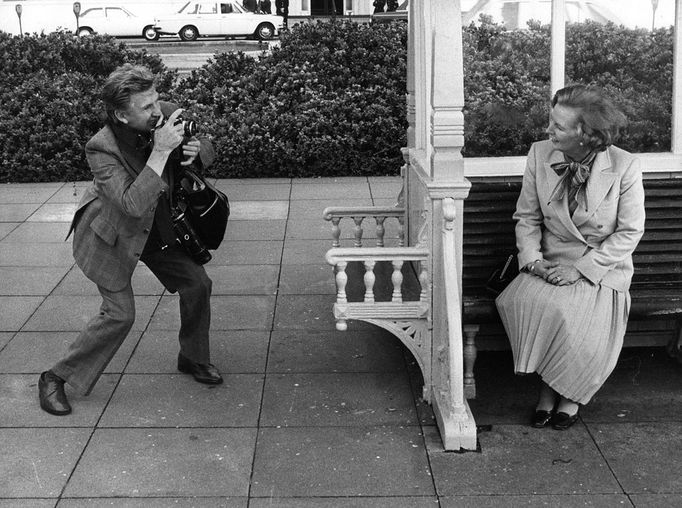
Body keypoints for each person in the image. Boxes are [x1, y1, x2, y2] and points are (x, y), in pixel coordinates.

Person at [38, 64, 223, 416]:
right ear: (122, 115)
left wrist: (195, 150)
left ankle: (193, 357)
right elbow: (132, 205)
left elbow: (208, 148)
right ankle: (54, 377)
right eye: (147, 107)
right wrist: (161, 152)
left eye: (156, 101)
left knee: (198, 283)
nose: (158, 110)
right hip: (113, 235)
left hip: (160, 227)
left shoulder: (163, 114)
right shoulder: (101, 148)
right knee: (120, 316)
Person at [495, 84, 645, 430]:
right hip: (551, 261)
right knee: (530, 301)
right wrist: (533, 261)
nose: (549, 131)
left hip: (601, 267)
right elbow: (528, 218)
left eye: (559, 126)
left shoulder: (625, 166)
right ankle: (551, 387)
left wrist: (581, 270)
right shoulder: (539, 154)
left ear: (586, 134)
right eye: (551, 122)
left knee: (570, 310)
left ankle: (568, 395)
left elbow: (629, 233)